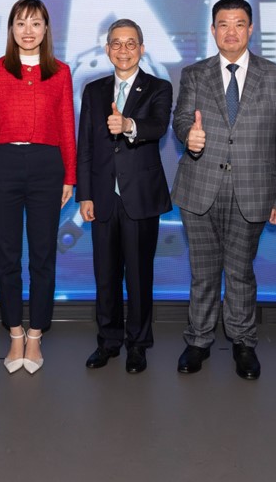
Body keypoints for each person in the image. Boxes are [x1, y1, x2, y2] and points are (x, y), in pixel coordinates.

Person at [172, 0, 276, 380]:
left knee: (241, 272)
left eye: (239, 24)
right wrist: (189, 136)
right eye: (223, 24)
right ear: (213, 30)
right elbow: (181, 118)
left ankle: (243, 342)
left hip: (253, 191)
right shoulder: (194, 74)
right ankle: (198, 340)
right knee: (203, 272)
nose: (231, 31)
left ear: (251, 29)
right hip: (199, 189)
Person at [0, 0, 76, 374]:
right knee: (7, 254)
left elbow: (66, 125)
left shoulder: (60, 72)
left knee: (43, 254)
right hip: (3, 164)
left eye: (35, 23)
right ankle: (14, 331)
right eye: (20, 23)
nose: (28, 31)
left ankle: (36, 334)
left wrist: (70, 176)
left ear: (46, 29)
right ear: (11, 29)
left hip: (47, 166)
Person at [76, 19, 173, 374]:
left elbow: (158, 126)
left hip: (140, 197)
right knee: (106, 275)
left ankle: (138, 344)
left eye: (131, 43)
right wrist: (85, 195)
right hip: (103, 196)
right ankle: (108, 341)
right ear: (107, 50)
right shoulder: (94, 90)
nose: (123, 50)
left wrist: (129, 125)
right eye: (116, 43)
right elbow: (86, 145)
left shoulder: (158, 87)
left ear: (142, 49)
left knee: (139, 276)